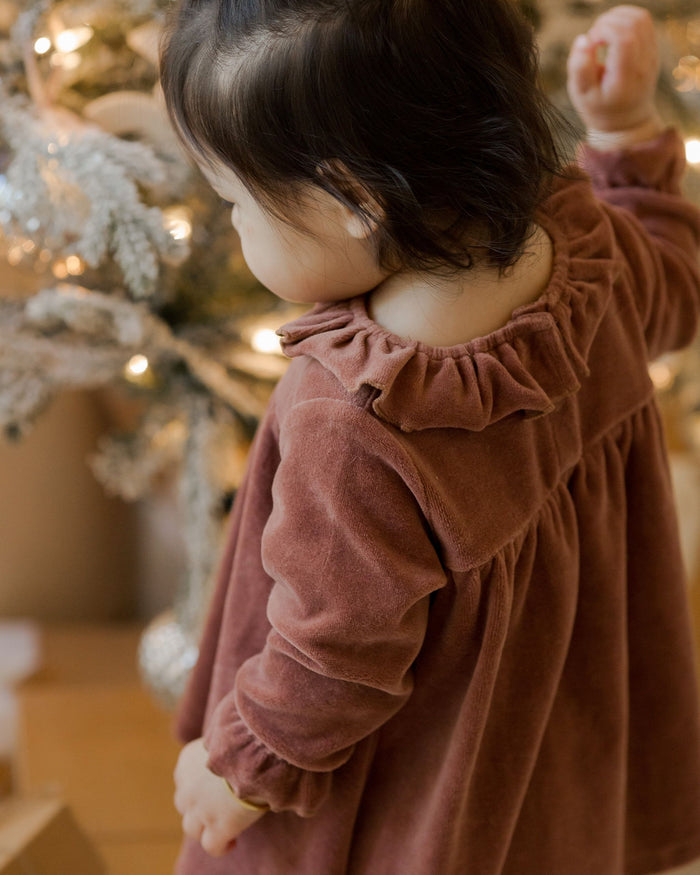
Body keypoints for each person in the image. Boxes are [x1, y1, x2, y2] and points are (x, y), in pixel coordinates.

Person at [160, 2, 700, 872]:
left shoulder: (359, 418)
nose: (234, 225)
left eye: (235, 202)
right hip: (562, 755)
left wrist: (242, 773)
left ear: (352, 199)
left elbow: (331, 663)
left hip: (421, 803)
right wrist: (626, 131)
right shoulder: (585, 252)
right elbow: (677, 287)